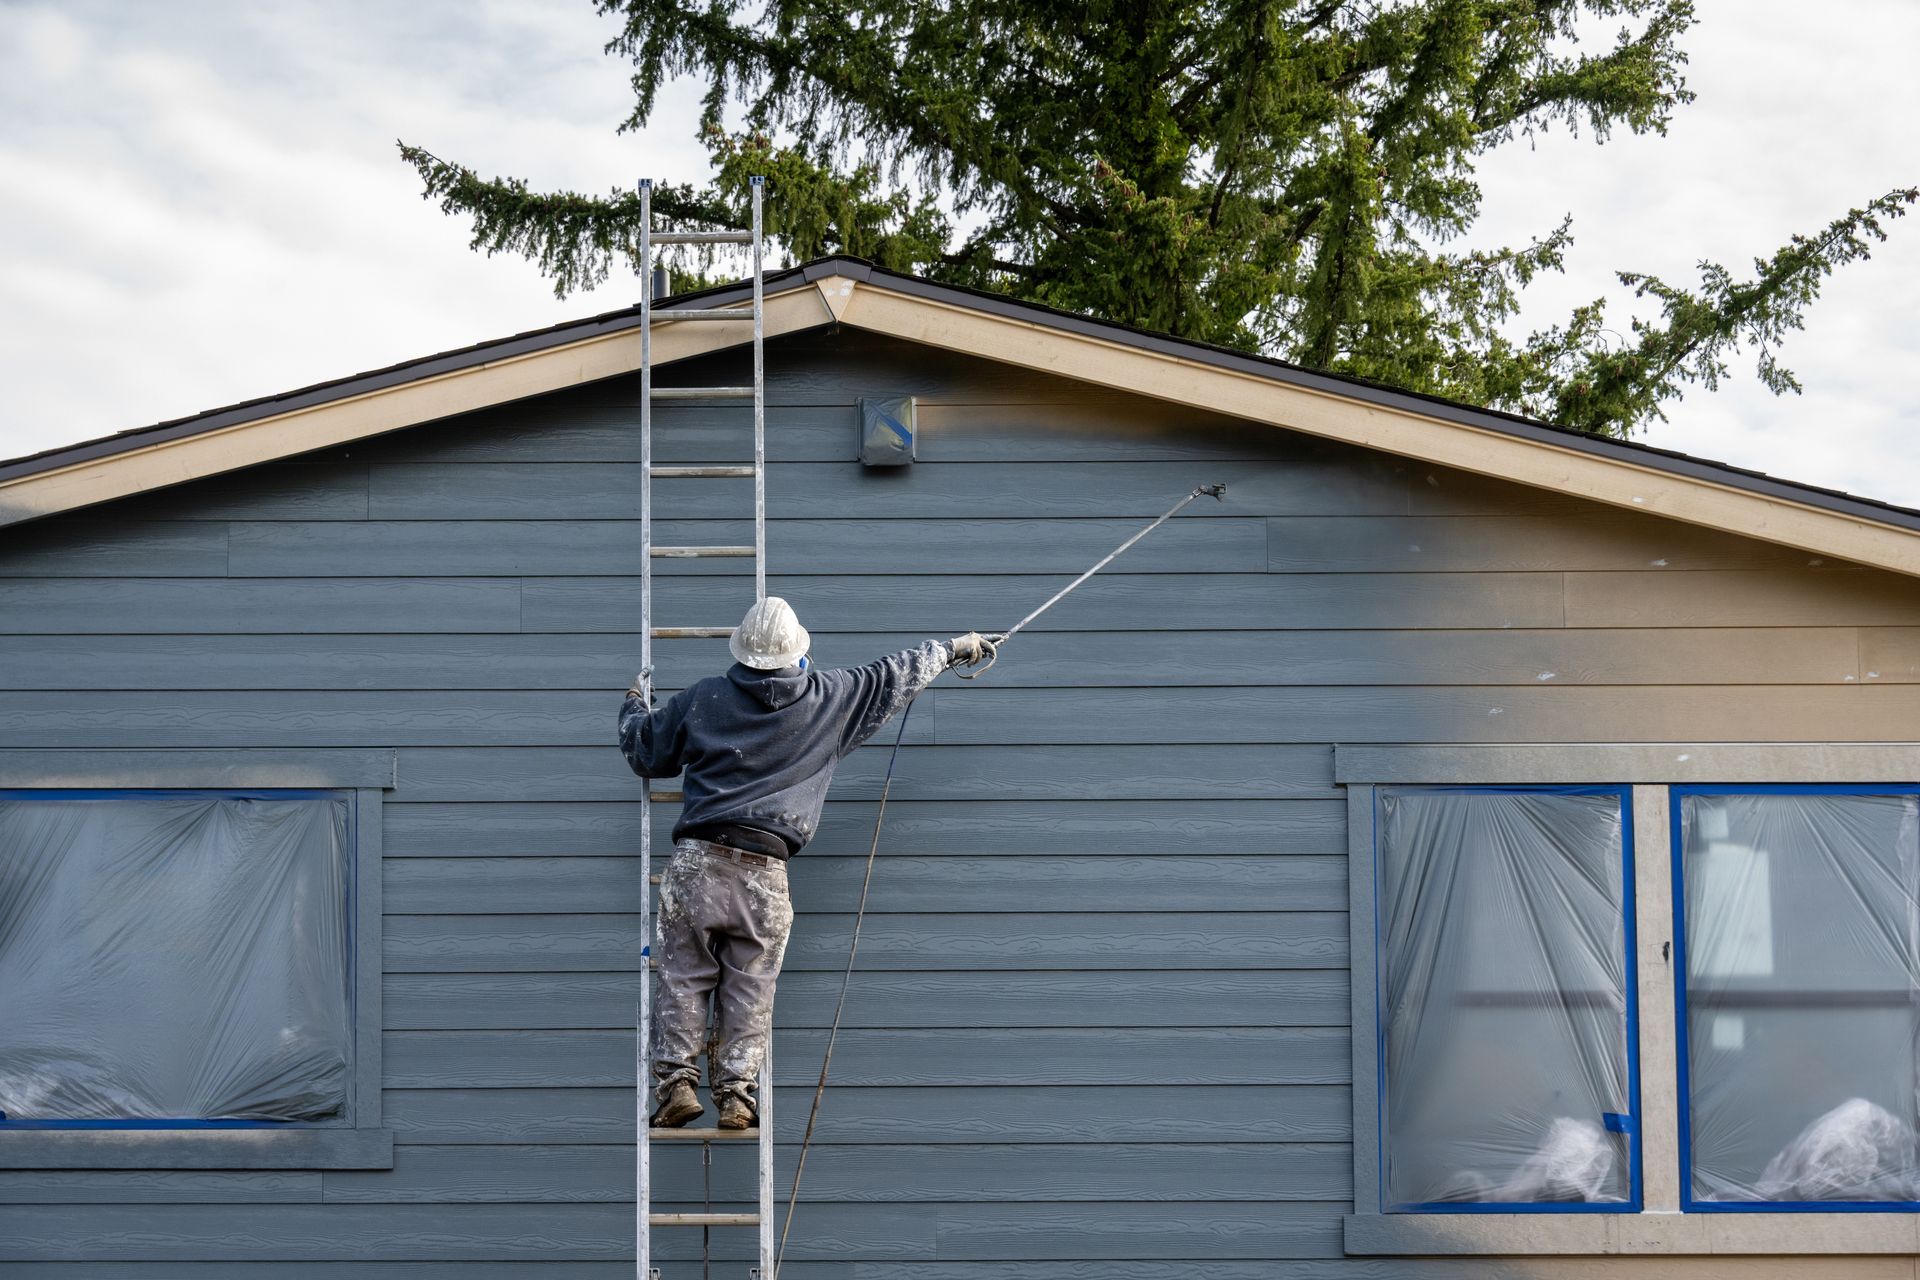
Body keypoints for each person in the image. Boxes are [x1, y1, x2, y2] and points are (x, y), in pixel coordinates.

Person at [619, 596, 995, 1130]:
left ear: (743, 653)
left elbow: (644, 751)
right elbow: (895, 674)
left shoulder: (704, 698)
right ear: (799, 653)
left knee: (683, 974)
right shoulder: (827, 700)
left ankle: (677, 1084)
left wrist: (635, 702)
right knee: (750, 984)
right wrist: (954, 649)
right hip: (765, 873)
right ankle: (736, 1096)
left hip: (698, 863)